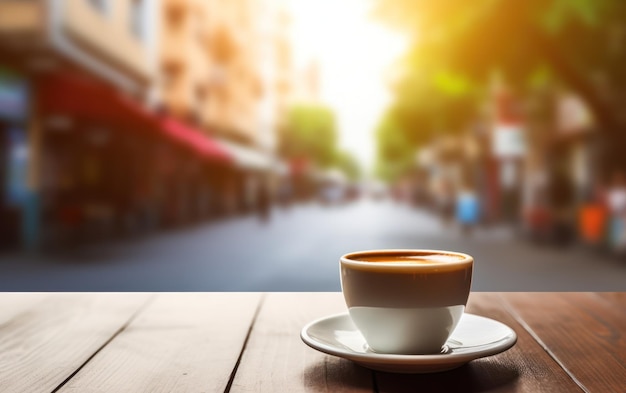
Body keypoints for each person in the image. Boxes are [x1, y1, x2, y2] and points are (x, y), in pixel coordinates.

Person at [606, 171, 626, 254]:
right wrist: (615, 212)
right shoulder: (611, 192)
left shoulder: (624, 191)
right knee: (617, 227)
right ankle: (618, 248)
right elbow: (610, 205)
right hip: (615, 214)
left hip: (623, 213)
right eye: (617, 179)